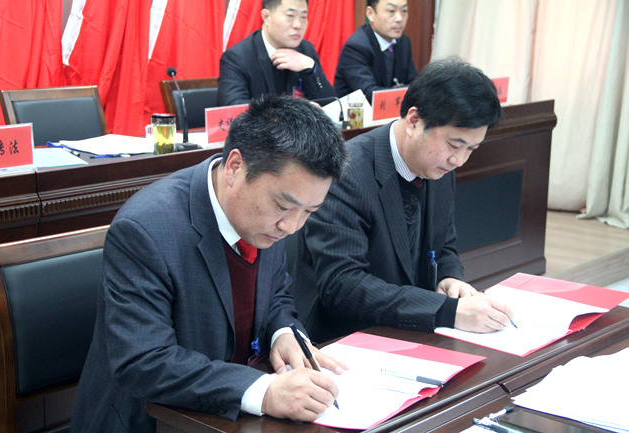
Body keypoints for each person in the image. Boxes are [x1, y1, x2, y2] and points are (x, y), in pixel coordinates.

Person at [70, 95, 348, 433]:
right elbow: (144, 361)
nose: (292, 226)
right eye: (282, 206)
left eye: (309, 212)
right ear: (235, 167)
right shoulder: (145, 230)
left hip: (231, 418)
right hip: (154, 421)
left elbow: (276, 293)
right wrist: (263, 392)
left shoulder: (268, 217)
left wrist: (283, 332)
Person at [291, 58, 514, 344]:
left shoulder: (439, 166)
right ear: (414, 121)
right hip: (343, 336)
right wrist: (447, 311)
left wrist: (450, 278)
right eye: (454, 145)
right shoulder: (348, 174)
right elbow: (343, 286)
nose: (459, 160)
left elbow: (444, 242)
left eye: (471, 149)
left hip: (409, 327)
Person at [217, 0, 335, 107]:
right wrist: (295, 112)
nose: (298, 25)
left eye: (303, 17)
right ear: (266, 17)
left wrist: (310, 67)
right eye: (290, 16)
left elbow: (331, 105)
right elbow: (234, 109)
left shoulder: (306, 50)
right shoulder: (238, 57)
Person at [334, 0, 417, 101]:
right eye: (391, 11)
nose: (399, 18)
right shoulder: (355, 47)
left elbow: (413, 83)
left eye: (404, 11)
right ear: (371, 13)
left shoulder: (403, 42)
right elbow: (370, 94)